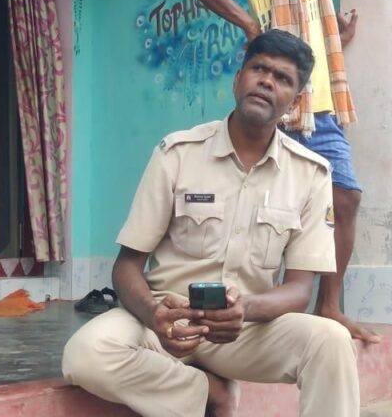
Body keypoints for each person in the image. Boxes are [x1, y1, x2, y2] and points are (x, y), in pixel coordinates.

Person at [62, 30, 359, 417]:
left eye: (283, 78)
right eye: (258, 69)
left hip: (245, 330)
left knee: (332, 340)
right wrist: (153, 314)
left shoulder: (311, 174)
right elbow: (127, 266)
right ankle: (208, 394)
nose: (267, 82)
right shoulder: (178, 153)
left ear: (296, 102)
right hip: (166, 319)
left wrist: (245, 308)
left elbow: (299, 290)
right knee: (85, 354)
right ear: (238, 79)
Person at [185, 0, 374, 343]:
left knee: (344, 199)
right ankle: (255, 310)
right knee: (268, 207)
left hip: (319, 106)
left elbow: (303, 31)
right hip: (283, 106)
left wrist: (336, 35)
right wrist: (251, 27)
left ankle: (327, 307)